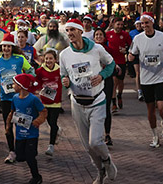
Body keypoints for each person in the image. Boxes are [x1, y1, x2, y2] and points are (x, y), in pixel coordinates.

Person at [59, 18, 116, 180]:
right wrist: (65, 82)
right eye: (67, 30)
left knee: (95, 142)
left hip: (97, 101)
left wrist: (102, 76)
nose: (70, 33)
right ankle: (100, 172)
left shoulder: (97, 49)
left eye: (73, 30)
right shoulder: (64, 55)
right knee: (87, 147)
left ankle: (107, 160)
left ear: (80, 31)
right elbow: (64, 75)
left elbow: (111, 64)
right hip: (77, 103)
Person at [129, 12, 163, 146]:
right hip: (146, 78)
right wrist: (130, 57)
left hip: (162, 76)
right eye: (142, 24)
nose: (144, 26)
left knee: (162, 108)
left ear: (152, 23)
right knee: (150, 109)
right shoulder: (138, 39)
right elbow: (131, 53)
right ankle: (154, 135)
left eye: (146, 23)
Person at [0, 36, 35, 163]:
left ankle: (24, 149)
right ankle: (12, 151)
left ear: (12, 47)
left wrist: (27, 81)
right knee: (8, 125)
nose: (6, 49)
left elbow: (31, 71)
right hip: (5, 98)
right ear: (1, 47)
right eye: (4, 46)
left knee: (22, 123)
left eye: (9, 46)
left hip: (19, 97)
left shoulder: (20, 59)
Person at [7, 73, 45, 184]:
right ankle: (30, 153)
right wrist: (8, 126)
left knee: (30, 157)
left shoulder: (33, 99)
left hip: (31, 134)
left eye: (14, 84)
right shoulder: (14, 98)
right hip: (19, 134)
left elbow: (43, 112)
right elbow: (12, 112)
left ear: (21, 86)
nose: (12, 86)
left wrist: (37, 121)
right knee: (19, 157)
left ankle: (36, 177)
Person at [35, 49, 62, 155]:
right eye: (46, 58)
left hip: (56, 102)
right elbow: (36, 82)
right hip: (44, 102)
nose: (48, 61)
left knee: (52, 122)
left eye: (51, 58)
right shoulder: (40, 70)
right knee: (49, 122)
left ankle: (51, 146)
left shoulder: (60, 70)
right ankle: (57, 130)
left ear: (55, 59)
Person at [105, 19, 132, 112]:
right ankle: (114, 103)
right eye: (118, 24)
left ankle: (119, 95)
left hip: (121, 61)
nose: (120, 26)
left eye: (121, 25)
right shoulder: (108, 34)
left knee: (120, 82)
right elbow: (102, 44)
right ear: (113, 24)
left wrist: (126, 50)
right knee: (114, 82)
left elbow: (131, 46)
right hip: (112, 61)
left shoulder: (125, 35)